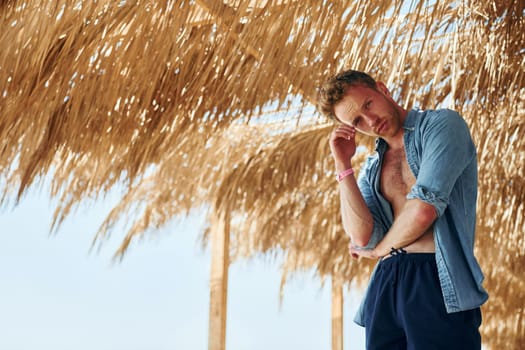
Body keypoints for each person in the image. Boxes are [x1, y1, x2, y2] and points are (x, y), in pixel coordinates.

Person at [317, 70, 488, 349]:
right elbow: (361, 237)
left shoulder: (442, 126)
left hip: (435, 278)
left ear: (382, 89)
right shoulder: (372, 169)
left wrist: (378, 251)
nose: (370, 121)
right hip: (385, 286)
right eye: (357, 121)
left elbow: (424, 210)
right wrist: (343, 165)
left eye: (368, 105)